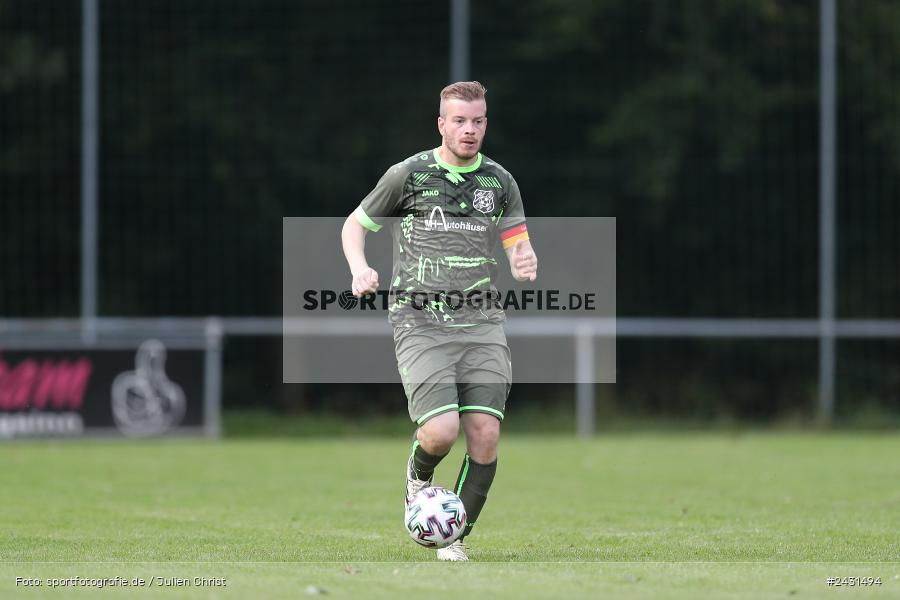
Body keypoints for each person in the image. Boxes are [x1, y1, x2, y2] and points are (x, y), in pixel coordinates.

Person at [341, 81, 537, 561]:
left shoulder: (499, 181)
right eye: (460, 121)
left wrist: (523, 258)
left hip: (482, 321)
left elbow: (516, 238)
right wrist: (359, 268)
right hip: (420, 320)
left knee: (486, 436)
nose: (470, 130)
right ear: (441, 124)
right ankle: (418, 478)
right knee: (440, 432)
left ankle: (452, 536)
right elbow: (354, 224)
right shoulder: (407, 175)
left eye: (478, 121)